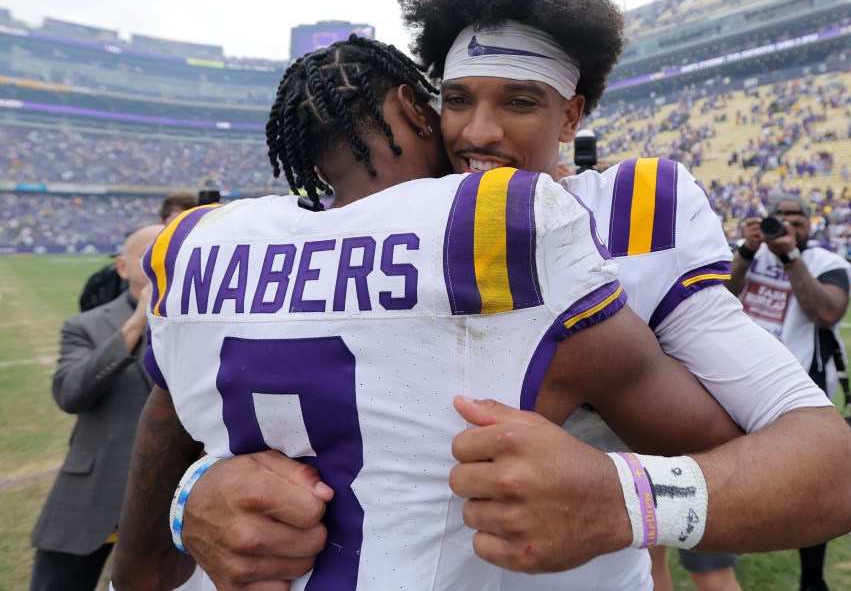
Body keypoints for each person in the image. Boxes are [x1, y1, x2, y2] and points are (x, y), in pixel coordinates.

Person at [170, 0, 851, 588]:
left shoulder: (627, 217)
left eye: (519, 101)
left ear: (570, 116)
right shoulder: (367, 215)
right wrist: (196, 490)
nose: (478, 132)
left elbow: (835, 474)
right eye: (457, 99)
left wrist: (621, 499)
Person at [111, 36, 746, 591]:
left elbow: (151, 514)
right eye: (453, 102)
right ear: (418, 109)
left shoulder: (200, 239)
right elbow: (726, 447)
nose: (473, 132)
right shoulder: (500, 227)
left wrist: (189, 496)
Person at [725, 193, 851, 591]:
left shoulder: (828, 263)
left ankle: (812, 577)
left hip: (800, 384)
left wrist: (789, 255)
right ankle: (729, 550)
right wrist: (747, 249)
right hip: (738, 378)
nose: (788, 226)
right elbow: (717, 294)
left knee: (812, 484)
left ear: (810, 225)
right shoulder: (749, 252)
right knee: (734, 471)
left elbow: (827, 312)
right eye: (779, 219)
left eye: (797, 220)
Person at [29, 224, 163, 591]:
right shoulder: (85, 325)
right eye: (148, 253)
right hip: (92, 493)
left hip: (166, 499)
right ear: (122, 268)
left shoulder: (197, 323)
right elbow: (69, 393)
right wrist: (136, 324)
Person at [78, 191, 198, 312]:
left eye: (195, 224)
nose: (186, 230)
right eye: (178, 223)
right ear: (161, 223)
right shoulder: (117, 276)